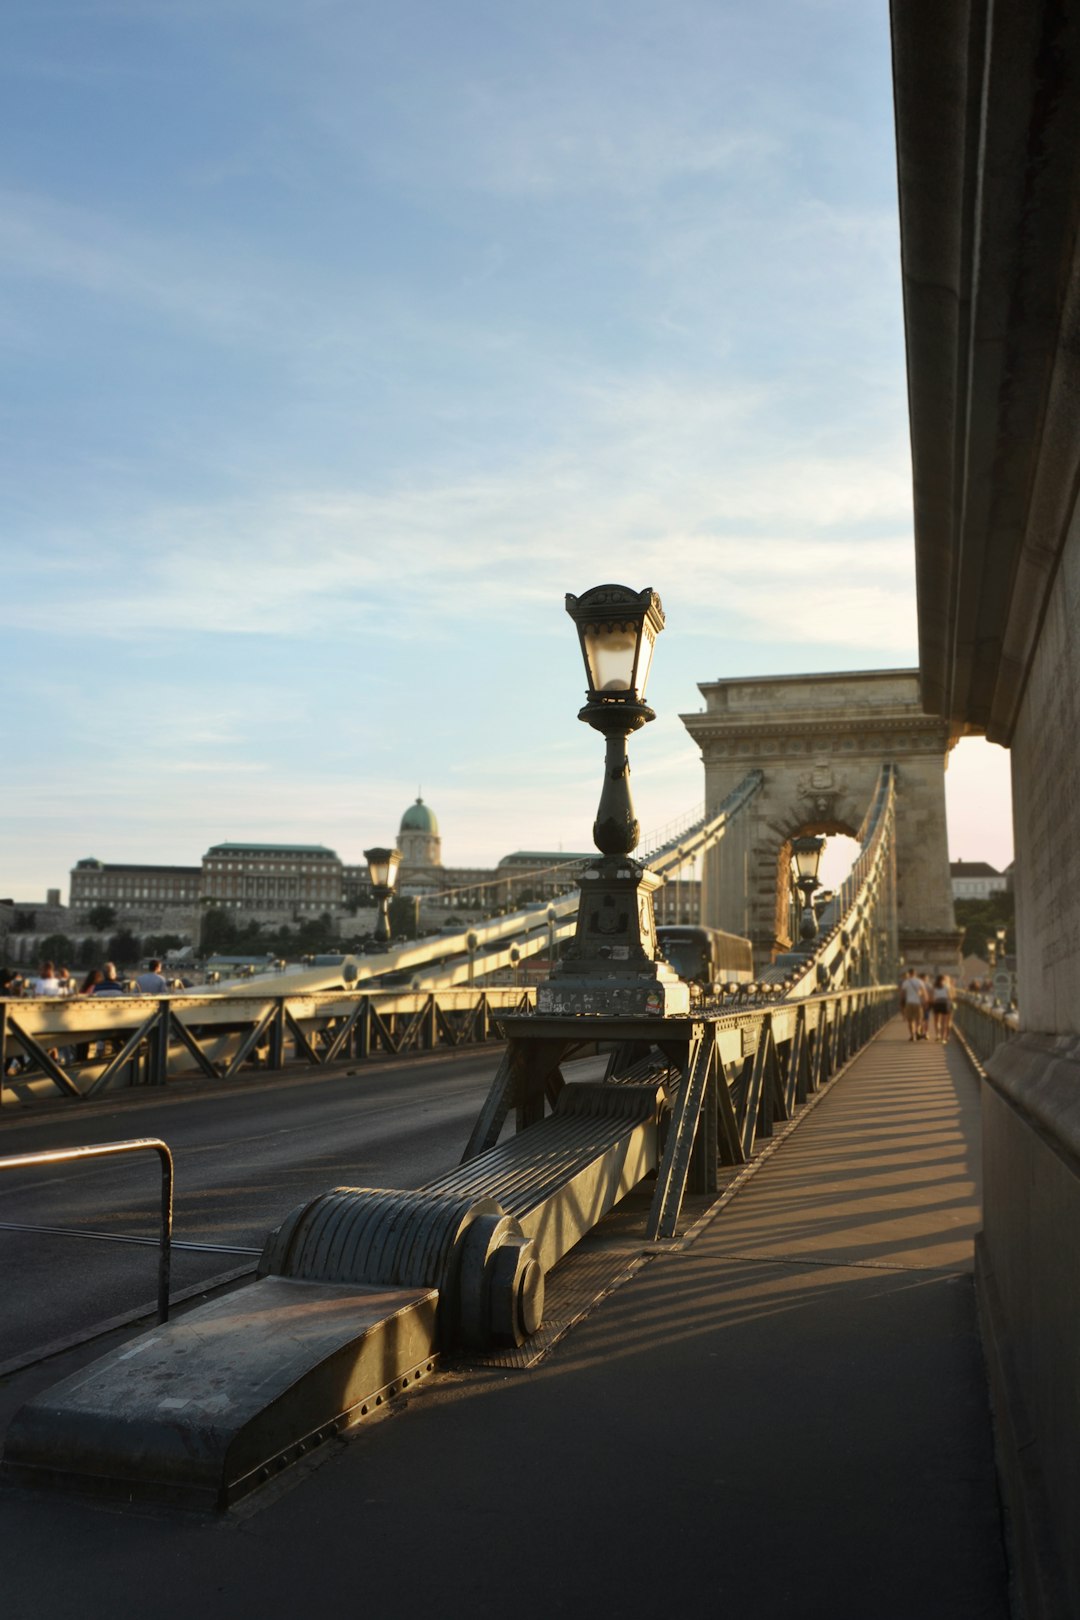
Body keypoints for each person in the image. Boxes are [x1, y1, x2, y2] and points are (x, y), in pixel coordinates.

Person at [899, 968, 927, 1041]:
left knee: (910, 1020)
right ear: (915, 974)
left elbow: (902, 994)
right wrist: (925, 1001)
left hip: (909, 1003)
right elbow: (924, 993)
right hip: (917, 1003)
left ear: (909, 973)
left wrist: (902, 1003)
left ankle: (912, 1035)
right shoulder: (920, 981)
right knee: (919, 1019)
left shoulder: (906, 982)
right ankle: (917, 1031)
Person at [931, 974, 953, 1043]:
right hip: (944, 1003)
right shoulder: (946, 987)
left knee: (936, 1021)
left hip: (937, 1004)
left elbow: (932, 997)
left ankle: (938, 1035)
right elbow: (950, 996)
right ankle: (943, 1038)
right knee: (944, 1022)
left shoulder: (934, 987)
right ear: (943, 980)